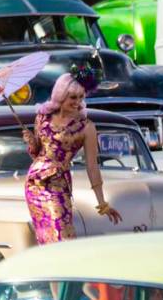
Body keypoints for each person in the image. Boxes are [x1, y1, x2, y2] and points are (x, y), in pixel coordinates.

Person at [23, 68, 122, 245]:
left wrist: (102, 203)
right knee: (46, 239)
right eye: (73, 97)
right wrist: (31, 142)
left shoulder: (86, 127)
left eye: (81, 97)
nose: (78, 102)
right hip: (34, 185)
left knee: (62, 236)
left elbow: (92, 166)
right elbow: (38, 153)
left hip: (58, 185)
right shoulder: (42, 117)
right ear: (61, 96)